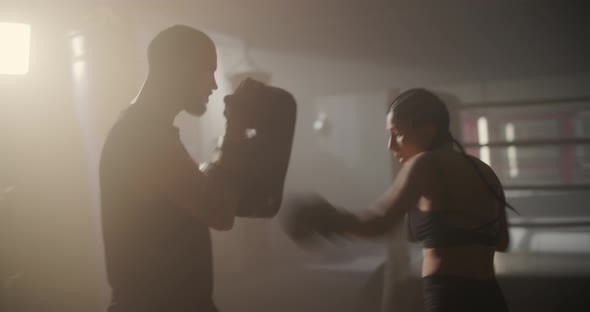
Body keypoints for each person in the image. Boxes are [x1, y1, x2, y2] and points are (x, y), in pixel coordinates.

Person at [100, 25, 295, 312]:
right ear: (180, 69)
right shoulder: (141, 137)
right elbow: (218, 212)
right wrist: (234, 129)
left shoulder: (149, 132)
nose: (214, 86)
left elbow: (201, 192)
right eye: (208, 70)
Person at [282, 89, 514, 312]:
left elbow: (378, 223)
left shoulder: (424, 163)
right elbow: (502, 241)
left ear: (426, 131)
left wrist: (325, 219)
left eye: (397, 133)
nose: (391, 146)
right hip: (490, 296)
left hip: (451, 297)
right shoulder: (485, 171)